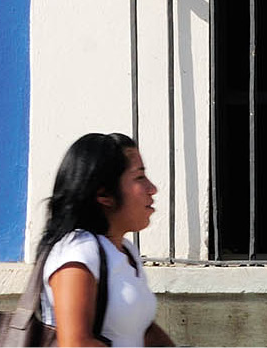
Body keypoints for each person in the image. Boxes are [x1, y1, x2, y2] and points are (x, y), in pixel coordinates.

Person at [37, 133, 174, 347]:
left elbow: (141, 330)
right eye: (139, 177)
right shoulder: (77, 251)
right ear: (104, 195)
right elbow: (76, 344)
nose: (152, 189)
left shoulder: (126, 250)